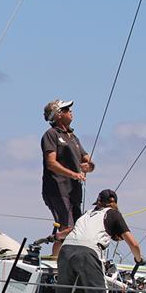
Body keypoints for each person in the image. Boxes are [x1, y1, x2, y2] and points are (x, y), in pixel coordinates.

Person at [41, 99, 95, 256]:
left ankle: (67, 260)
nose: (70, 111)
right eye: (65, 109)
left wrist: (89, 167)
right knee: (66, 228)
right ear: (58, 115)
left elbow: (88, 161)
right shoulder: (51, 135)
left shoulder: (73, 137)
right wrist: (74, 174)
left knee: (77, 229)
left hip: (74, 191)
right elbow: (51, 163)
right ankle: (56, 260)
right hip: (57, 189)